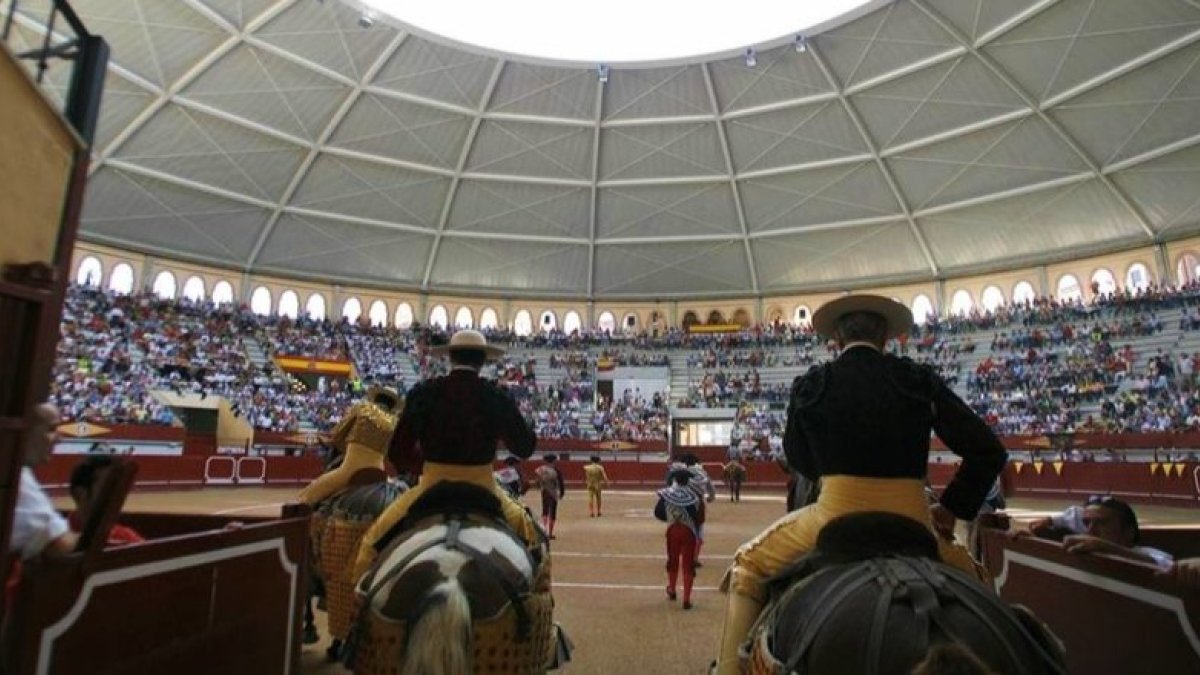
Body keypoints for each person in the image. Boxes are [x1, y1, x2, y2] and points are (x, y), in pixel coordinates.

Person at [715, 295, 1007, 675]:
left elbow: (801, 460)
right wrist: (950, 509)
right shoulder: (918, 381)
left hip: (832, 515)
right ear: (886, 336)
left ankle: (726, 670)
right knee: (981, 588)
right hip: (914, 520)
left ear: (836, 336)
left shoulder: (814, 384)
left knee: (748, 565)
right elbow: (988, 451)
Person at [352, 331, 539, 579]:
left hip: (430, 485)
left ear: (450, 357)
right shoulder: (496, 396)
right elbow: (524, 447)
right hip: (485, 487)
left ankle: (359, 600)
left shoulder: (424, 392)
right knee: (535, 543)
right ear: (483, 361)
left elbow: (398, 453)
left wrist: (424, 465)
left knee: (371, 544)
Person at [297, 386, 401, 505]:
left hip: (351, 466)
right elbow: (390, 453)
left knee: (319, 487)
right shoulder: (395, 422)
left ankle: (301, 505)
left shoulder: (362, 408)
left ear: (375, 398)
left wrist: (345, 448)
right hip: (379, 469)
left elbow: (337, 433)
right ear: (392, 405)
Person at [1013, 495, 1173, 568]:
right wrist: (1033, 544)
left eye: (1102, 523)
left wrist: (1106, 547)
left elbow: (1167, 566)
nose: (1091, 530)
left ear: (1129, 533)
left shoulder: (1143, 553)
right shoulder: (1084, 552)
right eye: (1087, 523)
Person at [10, 404, 77, 561]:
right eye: (51, 429)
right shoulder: (17, 477)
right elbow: (61, 544)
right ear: (25, 432)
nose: (59, 439)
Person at [67, 454, 144, 547]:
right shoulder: (57, 536)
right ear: (80, 493)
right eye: (107, 487)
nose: (115, 497)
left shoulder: (127, 537)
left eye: (116, 488)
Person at [654, 469, 704, 610]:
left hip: (672, 530)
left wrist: (671, 517)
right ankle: (686, 599)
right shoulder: (693, 496)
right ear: (688, 481)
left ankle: (672, 590)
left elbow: (658, 512)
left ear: (675, 480)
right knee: (688, 565)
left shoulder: (667, 494)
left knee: (673, 560)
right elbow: (697, 517)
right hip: (689, 532)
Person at [534, 454, 565, 538]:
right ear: (554, 460)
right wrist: (562, 493)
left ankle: (544, 531)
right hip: (553, 493)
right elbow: (561, 483)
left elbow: (537, 482)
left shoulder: (541, 469)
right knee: (553, 512)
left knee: (545, 511)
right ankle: (550, 533)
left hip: (544, 492)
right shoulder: (556, 470)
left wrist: (540, 486)